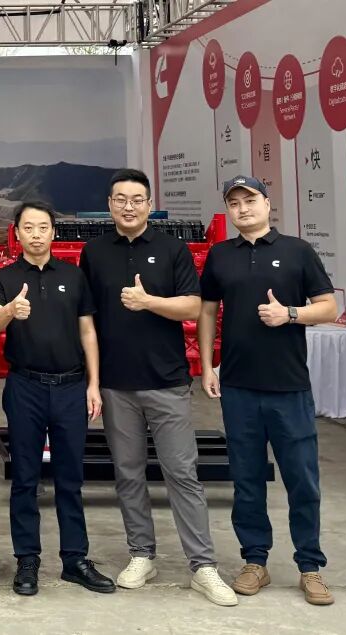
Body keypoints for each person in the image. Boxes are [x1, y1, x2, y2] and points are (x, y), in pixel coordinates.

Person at [80, 169, 237, 606]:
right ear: (109, 205)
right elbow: (86, 317)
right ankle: (141, 554)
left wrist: (148, 301)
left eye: (137, 199)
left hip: (167, 381)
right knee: (128, 473)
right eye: (120, 199)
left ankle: (202, 565)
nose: (128, 206)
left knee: (182, 473)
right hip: (116, 384)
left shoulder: (172, 249)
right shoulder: (95, 252)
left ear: (150, 205)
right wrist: (92, 380)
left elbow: (192, 305)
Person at [199, 175, 338, 606]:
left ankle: (310, 566)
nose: (243, 208)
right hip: (238, 387)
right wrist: (207, 366)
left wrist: (290, 314)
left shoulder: (298, 250)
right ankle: (254, 561)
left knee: (302, 481)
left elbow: (329, 307)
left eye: (250, 200)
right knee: (247, 481)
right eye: (234, 203)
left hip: (288, 387)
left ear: (266, 203)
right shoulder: (220, 255)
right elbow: (207, 312)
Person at [0, 200, 112, 597]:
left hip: (72, 387)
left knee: (70, 477)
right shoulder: (4, 278)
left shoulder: (74, 276)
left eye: (43, 227)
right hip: (25, 387)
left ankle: (75, 559)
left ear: (53, 232)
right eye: (28, 227)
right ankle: (27, 560)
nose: (36, 234)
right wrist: (10, 310)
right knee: (25, 478)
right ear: (17, 233)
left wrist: (94, 384)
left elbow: (88, 331)